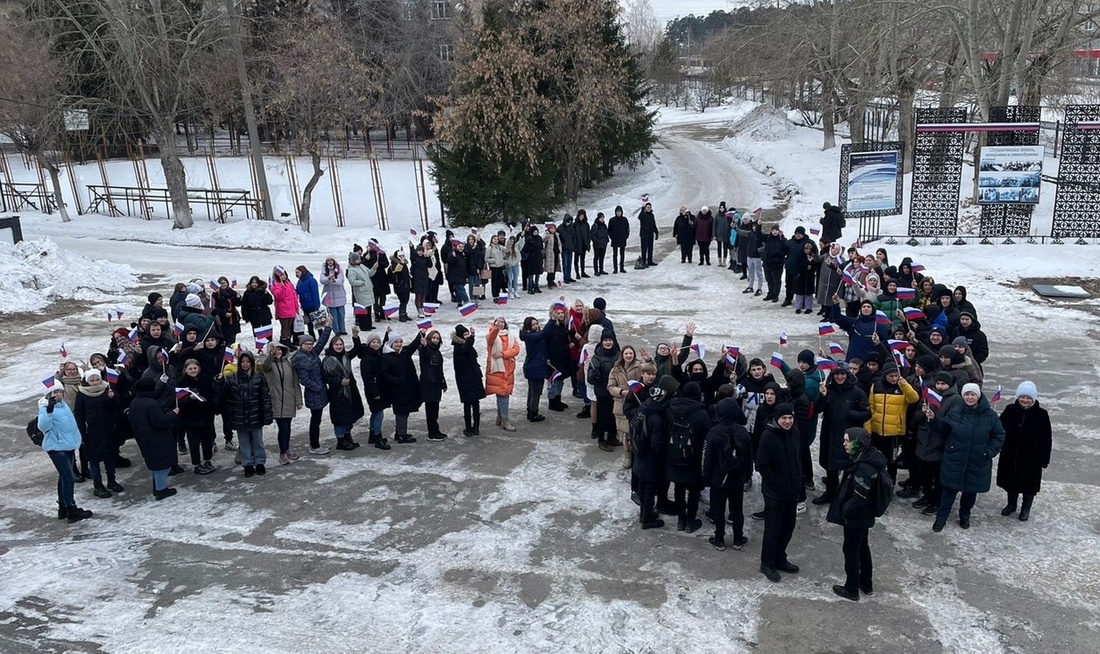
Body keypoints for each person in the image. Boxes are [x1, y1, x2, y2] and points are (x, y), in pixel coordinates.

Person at [925, 383, 1005, 531]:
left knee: (969, 494)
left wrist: (989, 452)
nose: (969, 397)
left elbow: (999, 436)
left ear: (978, 396)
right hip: (955, 459)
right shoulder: (956, 412)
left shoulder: (990, 415)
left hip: (977, 461)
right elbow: (942, 427)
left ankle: (965, 516)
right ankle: (940, 519)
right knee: (948, 492)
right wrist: (933, 419)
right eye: (967, 394)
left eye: (972, 394)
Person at [826, 427, 887, 601]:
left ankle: (851, 588)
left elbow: (859, 497)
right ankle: (866, 583)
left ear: (857, 443)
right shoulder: (868, 457)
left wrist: (845, 511)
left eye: (847, 441)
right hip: (865, 515)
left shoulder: (863, 467)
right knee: (862, 546)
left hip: (857, 516)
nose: (844, 444)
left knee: (851, 550)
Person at [756, 402, 802, 582]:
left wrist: (798, 483)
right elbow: (761, 465)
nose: (788, 421)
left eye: (790, 418)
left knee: (788, 528)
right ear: (777, 419)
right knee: (773, 530)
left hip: (792, 491)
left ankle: (780, 558)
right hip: (775, 493)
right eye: (784, 418)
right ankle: (767, 563)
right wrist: (776, 482)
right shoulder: (768, 437)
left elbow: (797, 459)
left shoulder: (794, 433)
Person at [812, 365, 870, 504]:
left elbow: (867, 414)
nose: (839, 377)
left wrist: (848, 413)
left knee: (848, 468)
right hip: (829, 434)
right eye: (836, 374)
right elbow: (817, 409)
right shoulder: (829, 389)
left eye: (842, 374)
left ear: (847, 375)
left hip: (848, 437)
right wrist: (822, 396)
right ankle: (830, 492)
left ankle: (846, 494)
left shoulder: (857, 392)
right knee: (830, 465)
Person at [996, 381, 1051, 521]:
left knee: (1029, 485)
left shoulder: (1041, 414)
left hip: (1031, 457)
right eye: (1022, 397)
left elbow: (1047, 438)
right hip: (1011, 453)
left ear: (1033, 399)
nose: (1025, 400)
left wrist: (1044, 458)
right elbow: (999, 428)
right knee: (1011, 482)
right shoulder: (1010, 410)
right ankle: (1011, 504)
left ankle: (1026, 508)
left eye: (1028, 398)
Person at [39, 383, 94, 521]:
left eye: (60, 391)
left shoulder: (63, 405)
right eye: (54, 392)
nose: (58, 395)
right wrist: (49, 411)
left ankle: (63, 508)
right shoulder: (45, 407)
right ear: (48, 394)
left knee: (63, 477)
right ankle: (71, 509)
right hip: (57, 448)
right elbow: (43, 426)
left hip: (67, 445)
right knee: (69, 478)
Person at [702, 397, 752, 551]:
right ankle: (738, 538)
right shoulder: (743, 432)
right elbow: (749, 456)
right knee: (737, 510)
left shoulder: (713, 433)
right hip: (737, 477)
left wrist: (706, 479)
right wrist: (747, 475)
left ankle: (719, 538)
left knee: (718, 509)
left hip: (718, 479)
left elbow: (707, 458)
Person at [217, 351, 273, 477]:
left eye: (248, 362)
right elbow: (222, 395)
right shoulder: (232, 378)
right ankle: (247, 463)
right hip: (240, 416)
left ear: (252, 363)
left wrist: (267, 414)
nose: (245, 364)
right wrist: (218, 382)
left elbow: (265, 397)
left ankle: (259, 462)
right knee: (244, 442)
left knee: (258, 441)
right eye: (242, 362)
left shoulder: (258, 377)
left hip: (255, 415)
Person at [73, 368, 124, 498]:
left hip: (108, 430)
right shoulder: (82, 394)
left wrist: (113, 398)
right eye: (92, 380)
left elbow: (116, 408)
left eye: (97, 379)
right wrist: (81, 434)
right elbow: (79, 415)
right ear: (87, 381)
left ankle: (112, 481)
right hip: (91, 433)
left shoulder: (107, 389)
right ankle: (98, 485)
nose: (95, 382)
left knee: (110, 458)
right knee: (94, 461)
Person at [128, 375, 180, 501]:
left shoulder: (135, 402)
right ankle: (161, 490)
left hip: (145, 439)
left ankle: (157, 486)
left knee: (155, 465)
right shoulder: (151, 404)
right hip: (157, 439)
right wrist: (173, 414)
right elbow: (161, 422)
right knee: (163, 466)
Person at [865, 363, 919, 481]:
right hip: (877, 430)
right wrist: (868, 428)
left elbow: (914, 399)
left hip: (895, 432)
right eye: (891, 376)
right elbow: (871, 408)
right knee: (876, 458)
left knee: (892, 461)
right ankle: (877, 482)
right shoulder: (876, 386)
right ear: (885, 375)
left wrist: (905, 386)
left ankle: (890, 483)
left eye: (896, 375)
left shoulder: (903, 386)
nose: (894, 379)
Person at [258, 342, 303, 464]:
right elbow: (265, 367)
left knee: (287, 427)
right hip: (276, 400)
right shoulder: (269, 364)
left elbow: (295, 383)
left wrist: (298, 400)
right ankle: (282, 452)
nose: (277, 352)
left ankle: (287, 449)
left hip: (289, 399)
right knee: (282, 428)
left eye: (279, 350)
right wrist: (271, 355)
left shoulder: (289, 363)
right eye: (275, 350)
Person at [290, 326, 332, 455]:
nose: (309, 346)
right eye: (306, 344)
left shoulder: (311, 353)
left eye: (310, 344)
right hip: (314, 394)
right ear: (301, 345)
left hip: (319, 392)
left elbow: (321, 343)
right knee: (315, 420)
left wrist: (328, 327)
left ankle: (315, 443)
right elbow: (304, 380)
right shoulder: (301, 358)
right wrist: (318, 387)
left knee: (317, 419)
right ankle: (314, 445)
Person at [322, 333, 367, 449]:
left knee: (349, 416)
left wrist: (356, 337)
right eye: (336, 345)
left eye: (340, 344)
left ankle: (348, 437)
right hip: (337, 393)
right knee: (340, 418)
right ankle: (340, 440)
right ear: (332, 346)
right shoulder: (327, 360)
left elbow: (357, 349)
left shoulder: (346, 356)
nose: (339, 346)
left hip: (350, 391)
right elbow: (326, 378)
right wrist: (339, 382)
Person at [381, 332, 423, 443]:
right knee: (401, 412)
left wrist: (421, 333)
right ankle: (402, 435)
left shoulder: (404, 352)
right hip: (397, 390)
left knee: (406, 410)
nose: (399, 344)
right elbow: (385, 374)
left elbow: (414, 345)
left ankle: (399, 431)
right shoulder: (386, 357)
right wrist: (397, 381)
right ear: (391, 344)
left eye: (400, 342)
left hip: (409, 388)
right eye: (396, 342)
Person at [484, 317, 520, 432]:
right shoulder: (491, 334)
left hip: (508, 369)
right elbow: (490, 340)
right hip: (497, 370)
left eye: (502, 322)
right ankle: (505, 420)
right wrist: (496, 328)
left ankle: (500, 417)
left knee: (502, 395)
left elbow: (516, 349)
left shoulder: (510, 336)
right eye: (498, 321)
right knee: (503, 395)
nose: (500, 323)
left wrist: (503, 354)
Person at [418, 329, 450, 441]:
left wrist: (443, 383)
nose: (436, 340)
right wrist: (424, 346)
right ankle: (432, 433)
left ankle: (435, 430)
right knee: (431, 410)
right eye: (434, 338)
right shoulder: (426, 349)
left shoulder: (437, 351)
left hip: (436, 383)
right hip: (428, 383)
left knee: (435, 409)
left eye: (437, 338)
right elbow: (424, 354)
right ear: (429, 339)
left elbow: (439, 369)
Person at [519, 316, 548, 422]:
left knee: (531, 391)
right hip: (535, 367)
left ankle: (530, 410)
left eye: (537, 323)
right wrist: (551, 319)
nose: (536, 326)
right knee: (536, 392)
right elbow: (544, 333)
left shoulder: (529, 336)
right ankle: (533, 413)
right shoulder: (531, 336)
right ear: (528, 327)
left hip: (531, 367)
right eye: (533, 325)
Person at [346, 252, 377, 332]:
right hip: (361, 293)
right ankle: (363, 326)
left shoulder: (362, 266)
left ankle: (369, 324)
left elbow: (370, 273)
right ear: (353, 261)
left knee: (369, 309)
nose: (359, 260)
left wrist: (374, 268)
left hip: (368, 291)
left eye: (359, 259)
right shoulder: (351, 270)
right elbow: (352, 281)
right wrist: (362, 282)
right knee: (363, 310)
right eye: (357, 259)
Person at [270, 266, 299, 348]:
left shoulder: (289, 283)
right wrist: (282, 288)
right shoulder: (276, 285)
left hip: (291, 309)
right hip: (283, 309)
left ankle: (289, 342)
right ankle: (284, 342)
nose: (283, 276)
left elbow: (294, 296)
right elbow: (279, 296)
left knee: (289, 328)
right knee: (285, 328)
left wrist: (296, 307)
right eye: (281, 275)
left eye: (284, 274)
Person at [240, 276, 274, 341]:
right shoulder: (247, 292)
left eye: (256, 283)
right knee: (257, 334)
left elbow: (270, 302)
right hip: (253, 316)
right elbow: (244, 305)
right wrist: (245, 317)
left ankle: (269, 344)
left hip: (264, 315)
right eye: (252, 283)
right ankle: (259, 346)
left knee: (267, 334)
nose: (254, 284)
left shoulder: (263, 291)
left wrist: (266, 295)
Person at [320, 256, 348, 335]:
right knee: (333, 315)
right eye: (328, 260)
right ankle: (336, 330)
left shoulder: (339, 269)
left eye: (331, 260)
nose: (330, 261)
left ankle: (342, 329)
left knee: (341, 314)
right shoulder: (324, 270)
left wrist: (334, 280)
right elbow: (322, 280)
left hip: (339, 296)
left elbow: (341, 281)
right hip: (329, 296)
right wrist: (328, 278)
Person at [762, 224, 787, 302]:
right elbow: (758, 235)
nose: (775, 232)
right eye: (773, 230)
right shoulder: (768, 238)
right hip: (767, 263)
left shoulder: (782, 239)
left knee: (776, 280)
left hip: (777, 264)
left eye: (776, 230)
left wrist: (782, 239)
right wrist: (759, 225)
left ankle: (775, 295)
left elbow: (785, 249)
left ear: (779, 231)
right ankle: (770, 293)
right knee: (769, 279)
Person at [388, 251, 412, 322]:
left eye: (403, 255)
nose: (402, 257)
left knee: (406, 300)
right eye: (400, 256)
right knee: (403, 300)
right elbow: (396, 271)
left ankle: (404, 313)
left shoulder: (404, 263)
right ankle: (401, 315)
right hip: (399, 286)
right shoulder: (395, 264)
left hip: (406, 285)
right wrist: (401, 263)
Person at [608, 205, 630, 273]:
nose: (618, 213)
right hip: (615, 240)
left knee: (622, 254)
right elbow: (609, 230)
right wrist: (612, 237)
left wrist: (626, 236)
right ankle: (615, 268)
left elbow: (627, 229)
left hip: (622, 239)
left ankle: (622, 267)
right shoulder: (612, 220)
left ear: (621, 212)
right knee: (615, 254)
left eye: (619, 212)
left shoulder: (625, 220)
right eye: (617, 212)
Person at [637, 202, 659, 267]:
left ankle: (650, 261)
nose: (649, 208)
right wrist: (642, 210)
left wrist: (656, 232)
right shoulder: (643, 214)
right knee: (644, 249)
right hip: (644, 234)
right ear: (645, 208)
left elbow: (654, 224)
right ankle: (643, 262)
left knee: (650, 248)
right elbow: (639, 217)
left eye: (650, 207)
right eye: (647, 207)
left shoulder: (652, 215)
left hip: (650, 234)